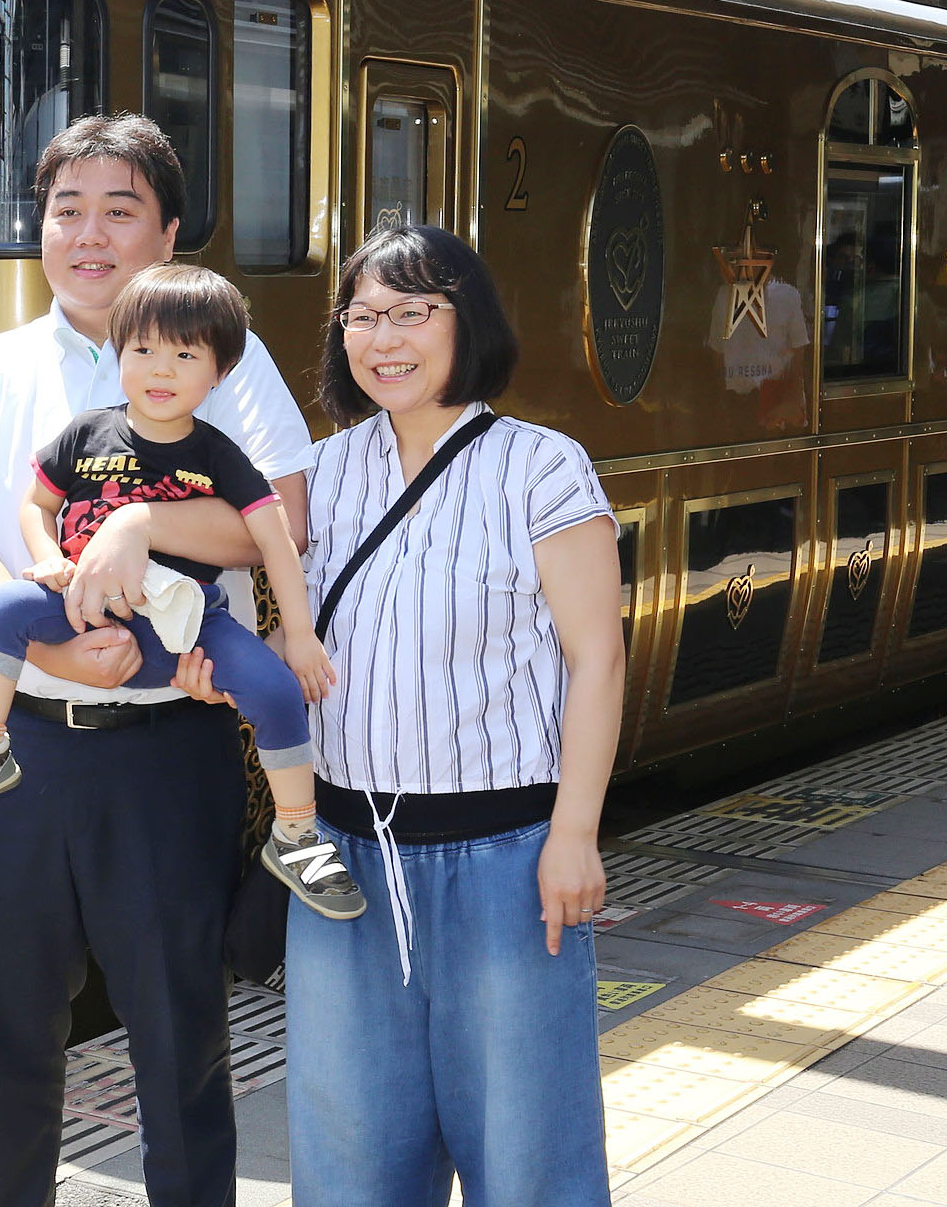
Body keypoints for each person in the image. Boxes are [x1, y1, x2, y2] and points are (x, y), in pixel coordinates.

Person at [0, 113, 316, 1207]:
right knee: (8, 1060)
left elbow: (288, 520)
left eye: (120, 209)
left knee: (182, 1051)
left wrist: (141, 524)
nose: (89, 234)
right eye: (66, 210)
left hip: (164, 757)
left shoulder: (224, 356)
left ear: (168, 233)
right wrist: (43, 635)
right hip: (17, 756)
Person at [248, 223, 623, 1207]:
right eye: (365, 315)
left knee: (528, 1157)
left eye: (415, 311)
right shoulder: (318, 477)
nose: (386, 337)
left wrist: (574, 835)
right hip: (343, 859)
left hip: (506, 860)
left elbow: (598, 656)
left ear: (468, 324)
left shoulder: (542, 467)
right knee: (350, 1162)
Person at [0, 263, 361, 920]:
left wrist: (298, 634)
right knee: (5, 606)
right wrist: (47, 564)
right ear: (120, 354)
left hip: (186, 627)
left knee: (275, 689)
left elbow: (277, 542)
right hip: (85, 608)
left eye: (184, 354)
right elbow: (35, 505)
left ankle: (297, 834)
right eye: (142, 350)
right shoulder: (88, 433)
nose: (160, 369)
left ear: (219, 372)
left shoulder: (218, 453)